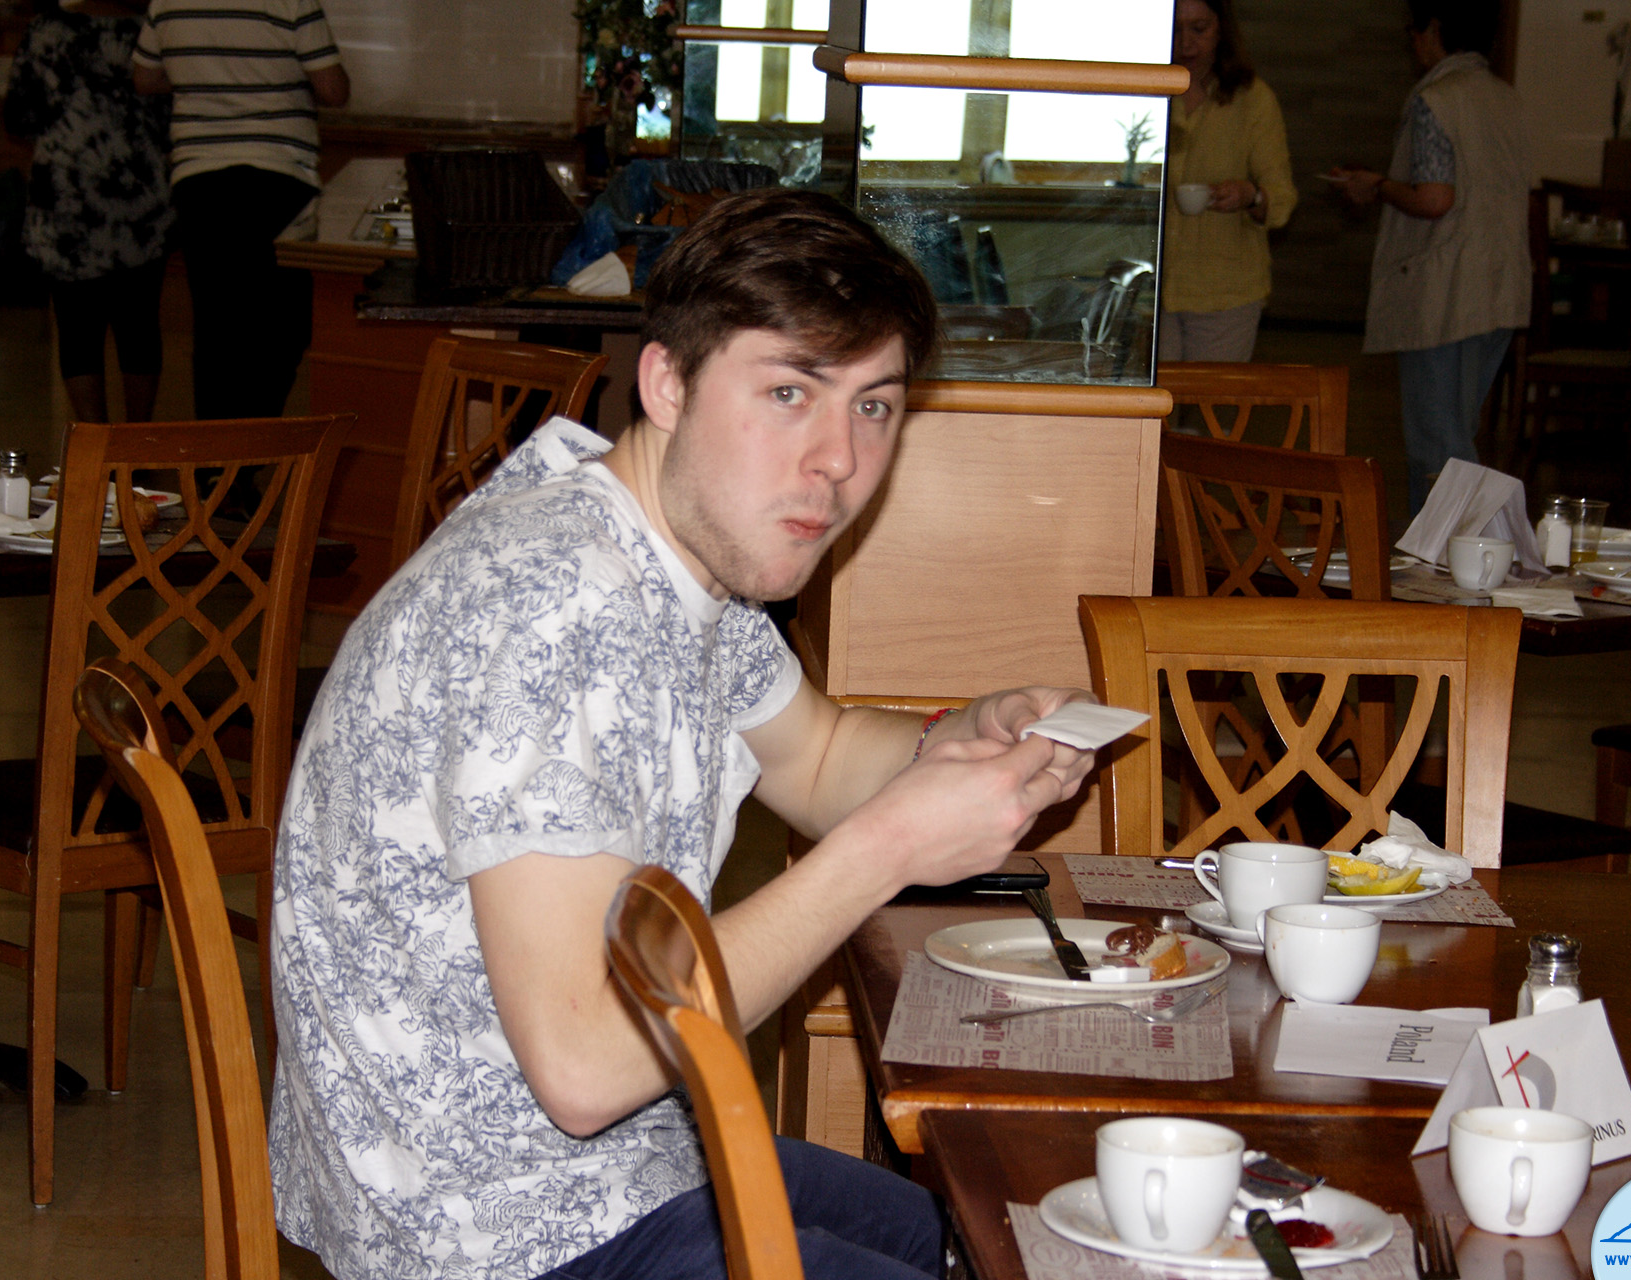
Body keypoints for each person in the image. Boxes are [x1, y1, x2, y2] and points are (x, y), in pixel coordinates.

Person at [267, 189, 1096, 1280]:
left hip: (610, 1166)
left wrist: (960, 738)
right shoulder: (553, 605)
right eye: (789, 392)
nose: (838, 459)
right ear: (666, 382)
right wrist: (890, 846)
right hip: (486, 1228)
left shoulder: (660, 546)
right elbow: (585, 1064)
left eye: (874, 405)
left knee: (989, 1232)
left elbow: (820, 756)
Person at [1331, 0, 1529, 515]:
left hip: (1446, 288)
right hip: (1501, 287)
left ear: (1434, 29)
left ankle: (1450, 554)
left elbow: (1435, 198)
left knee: (1437, 446)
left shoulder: (1436, 99)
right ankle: (1462, 549)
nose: (1412, 43)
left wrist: (1378, 185)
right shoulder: (1505, 96)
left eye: (1413, 31)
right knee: (1459, 433)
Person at [129, 0, 350, 419]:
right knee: (282, 321)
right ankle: (256, 433)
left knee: (217, 322)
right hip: (279, 178)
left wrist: (206, 81)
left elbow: (145, 78)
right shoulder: (291, 0)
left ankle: (218, 446)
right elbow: (333, 91)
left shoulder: (169, 2)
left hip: (199, 180)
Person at [4, 0, 173, 423]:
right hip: (142, 195)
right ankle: (138, 436)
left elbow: (19, 116)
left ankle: (93, 439)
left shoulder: (48, 30)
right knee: (140, 322)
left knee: (77, 326)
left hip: (68, 194)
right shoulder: (153, 28)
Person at [1158, 0, 1297, 364]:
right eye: (1175, 29)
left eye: (1198, 29)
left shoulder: (1253, 99)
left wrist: (1251, 196)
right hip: (1149, 291)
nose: (1186, 43)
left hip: (1226, 292)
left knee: (1212, 401)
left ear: (1221, 29)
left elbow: (1281, 198)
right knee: (1153, 401)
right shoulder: (1146, 90)